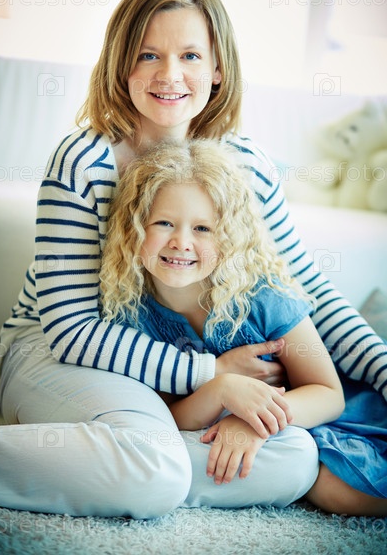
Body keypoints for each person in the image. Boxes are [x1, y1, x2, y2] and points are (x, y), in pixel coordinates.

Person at [0, 0, 385, 518]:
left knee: (294, 456)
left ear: (218, 68)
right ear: (121, 64)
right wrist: (214, 375)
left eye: (191, 56)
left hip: (159, 371)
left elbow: (306, 290)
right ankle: (138, 465)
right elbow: (71, 331)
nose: (170, 75)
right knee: (154, 461)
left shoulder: (246, 166)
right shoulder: (84, 162)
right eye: (148, 54)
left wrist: (383, 370)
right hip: (57, 352)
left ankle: (137, 466)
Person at [100, 137, 346, 482]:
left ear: (228, 238)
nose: (181, 242)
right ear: (133, 228)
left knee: (336, 489)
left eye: (203, 228)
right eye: (164, 223)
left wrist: (252, 421)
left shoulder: (261, 295)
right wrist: (220, 389)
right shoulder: (129, 310)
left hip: (302, 418)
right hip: (221, 436)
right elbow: (167, 417)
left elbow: (330, 395)